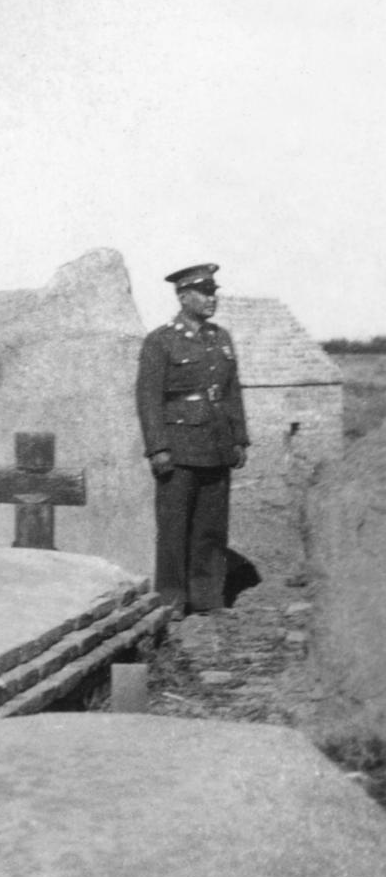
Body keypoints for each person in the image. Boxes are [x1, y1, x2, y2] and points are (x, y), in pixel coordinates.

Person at [136, 263, 249, 620]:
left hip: (216, 445)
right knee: (173, 529)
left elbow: (230, 393)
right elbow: (148, 397)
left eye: (213, 292)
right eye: (203, 293)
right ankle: (171, 601)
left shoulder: (221, 338)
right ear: (183, 297)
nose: (211, 299)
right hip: (179, 448)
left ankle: (208, 598)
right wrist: (158, 448)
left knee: (211, 528)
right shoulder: (160, 340)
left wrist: (239, 439)